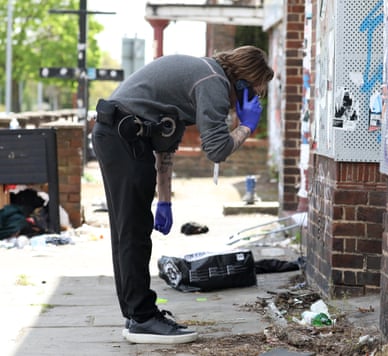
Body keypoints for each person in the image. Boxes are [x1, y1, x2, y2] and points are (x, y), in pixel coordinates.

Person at [92, 45, 274, 344]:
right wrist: (246, 127)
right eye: (254, 92)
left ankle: (137, 313)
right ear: (241, 82)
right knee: (132, 232)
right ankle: (142, 318)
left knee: (130, 230)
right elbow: (216, 150)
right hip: (121, 137)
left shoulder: (203, 75)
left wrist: (164, 199)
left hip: (121, 136)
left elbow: (164, 142)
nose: (254, 99)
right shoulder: (213, 84)